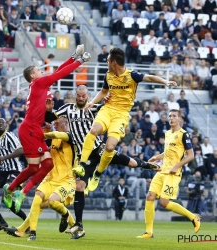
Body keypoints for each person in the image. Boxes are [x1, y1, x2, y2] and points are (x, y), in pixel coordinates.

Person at [45, 85, 159, 239]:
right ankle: (79, 226)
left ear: (88, 95)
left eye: (83, 96)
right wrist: (48, 110)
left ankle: (148, 165)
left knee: (131, 163)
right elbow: (50, 118)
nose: (80, 98)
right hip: (85, 157)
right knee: (79, 186)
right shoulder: (67, 108)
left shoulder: (93, 108)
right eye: (78, 95)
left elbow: (108, 112)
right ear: (75, 96)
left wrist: (107, 101)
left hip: (99, 149)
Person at [3, 45, 91, 213]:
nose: (42, 72)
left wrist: (73, 57)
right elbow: (60, 74)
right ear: (32, 75)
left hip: (35, 128)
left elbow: (58, 71)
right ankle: (17, 190)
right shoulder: (38, 83)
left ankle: (13, 189)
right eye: (39, 70)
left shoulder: (42, 86)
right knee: (36, 167)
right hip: (29, 128)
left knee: (45, 165)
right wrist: (81, 61)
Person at [74, 48, 177, 192]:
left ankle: (97, 174)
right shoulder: (108, 75)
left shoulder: (132, 75)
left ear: (113, 62)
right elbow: (104, 92)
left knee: (110, 147)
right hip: (107, 109)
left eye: (108, 60)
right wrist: (92, 102)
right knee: (93, 130)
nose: (107, 62)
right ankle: (82, 165)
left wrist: (165, 81)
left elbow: (150, 77)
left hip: (121, 115)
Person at [4, 118, 77, 241]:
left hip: (66, 180)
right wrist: (42, 132)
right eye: (54, 123)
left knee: (53, 202)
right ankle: (28, 232)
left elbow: (54, 134)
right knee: (37, 199)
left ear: (66, 123)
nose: (54, 124)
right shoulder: (53, 140)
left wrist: (42, 132)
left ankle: (69, 221)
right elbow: (40, 143)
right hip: (50, 178)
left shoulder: (70, 136)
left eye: (57, 123)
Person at [137, 109, 201, 238]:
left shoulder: (184, 134)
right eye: (169, 116)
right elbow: (168, 152)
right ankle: (149, 232)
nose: (171, 118)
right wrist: (157, 157)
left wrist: (177, 166)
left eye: (174, 116)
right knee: (150, 196)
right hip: (162, 170)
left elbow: (191, 156)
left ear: (179, 119)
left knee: (163, 203)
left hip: (173, 173)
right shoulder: (167, 133)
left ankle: (193, 217)